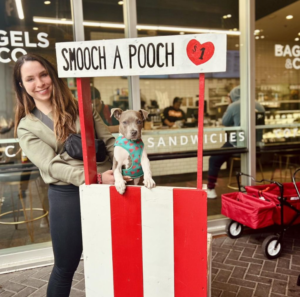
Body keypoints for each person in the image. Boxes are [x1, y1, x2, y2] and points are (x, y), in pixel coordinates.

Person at [13, 53, 132, 297]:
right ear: (22, 85)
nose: (40, 83)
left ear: (53, 76)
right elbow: (52, 166)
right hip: (67, 195)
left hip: (109, 186)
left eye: (44, 74)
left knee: (116, 258)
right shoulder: (27, 126)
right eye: (31, 78)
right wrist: (97, 178)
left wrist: (123, 170)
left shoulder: (81, 107)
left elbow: (109, 141)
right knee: (65, 267)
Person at [207, 86, 265, 199]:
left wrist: (230, 105)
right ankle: (253, 190)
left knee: (213, 159)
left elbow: (225, 122)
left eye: (229, 96)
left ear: (233, 95)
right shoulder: (259, 105)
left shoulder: (233, 106)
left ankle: (211, 189)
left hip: (239, 144)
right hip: (256, 145)